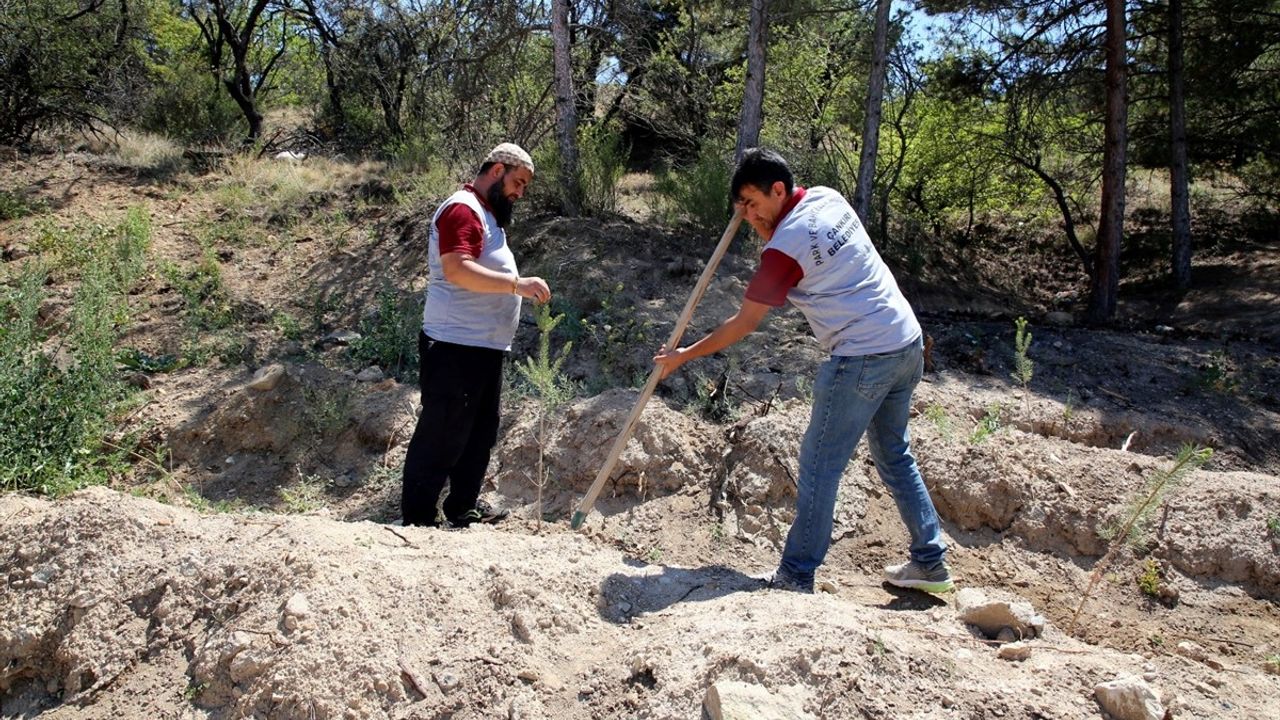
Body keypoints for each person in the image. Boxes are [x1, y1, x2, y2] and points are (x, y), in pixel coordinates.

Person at [653, 148, 952, 593]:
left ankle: (796, 574)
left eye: (754, 205)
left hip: (863, 354)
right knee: (893, 454)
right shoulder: (829, 198)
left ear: (778, 190)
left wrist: (683, 355)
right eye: (743, 209)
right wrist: (760, 219)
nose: (751, 217)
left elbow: (745, 323)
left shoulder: (783, 250)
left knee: (819, 466)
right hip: (906, 341)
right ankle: (929, 562)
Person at [401, 143, 551, 528]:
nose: (520, 192)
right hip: (454, 345)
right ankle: (417, 519)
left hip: (482, 347)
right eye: (518, 182)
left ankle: (463, 506)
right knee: (442, 433)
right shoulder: (462, 209)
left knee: (478, 434)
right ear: (497, 170)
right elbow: (457, 269)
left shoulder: (486, 214)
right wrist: (517, 285)